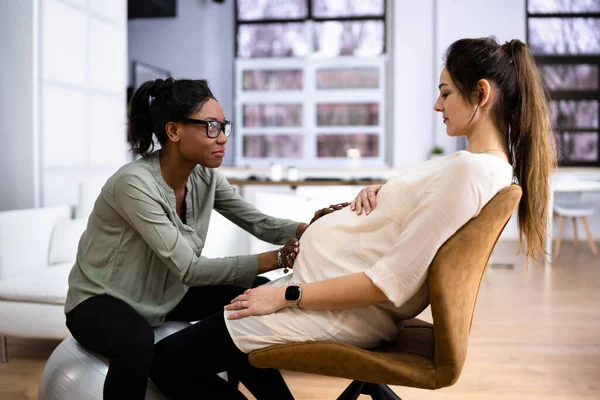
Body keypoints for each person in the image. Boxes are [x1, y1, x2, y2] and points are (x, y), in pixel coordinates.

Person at [149, 37, 556, 399]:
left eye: (445, 92)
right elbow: (417, 222)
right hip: (321, 298)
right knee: (227, 320)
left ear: (481, 94)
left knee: (165, 362)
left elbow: (390, 282)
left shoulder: (471, 171)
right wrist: (387, 194)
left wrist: (285, 295)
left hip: (337, 312)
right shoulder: (480, 167)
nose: (437, 105)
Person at [64, 78, 346, 399]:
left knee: (249, 295)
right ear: (174, 131)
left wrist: (311, 228)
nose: (223, 137)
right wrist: (279, 258)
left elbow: (258, 222)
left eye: (223, 126)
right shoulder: (133, 184)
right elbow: (190, 270)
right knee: (135, 343)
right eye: (211, 127)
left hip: (162, 293)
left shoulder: (204, 175)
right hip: (102, 299)